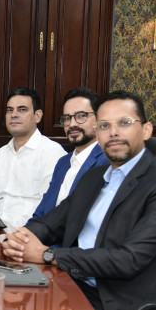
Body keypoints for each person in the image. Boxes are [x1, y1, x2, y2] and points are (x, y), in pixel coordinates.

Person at [2, 90, 156, 310]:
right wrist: (22, 238)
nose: (112, 133)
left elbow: (129, 260)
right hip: (76, 287)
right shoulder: (95, 176)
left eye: (124, 123)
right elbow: (53, 221)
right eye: (104, 125)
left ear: (147, 129)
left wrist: (47, 255)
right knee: (1, 308)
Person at [0, 87, 65, 227]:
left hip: (30, 236)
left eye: (22, 109)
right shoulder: (0, 154)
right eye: (9, 110)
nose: (14, 115)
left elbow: (50, 206)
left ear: (38, 116)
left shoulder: (52, 152)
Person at [32, 87, 109, 219]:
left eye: (81, 116)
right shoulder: (63, 162)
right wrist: (24, 235)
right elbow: (42, 211)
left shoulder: (107, 162)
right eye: (67, 118)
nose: (72, 124)